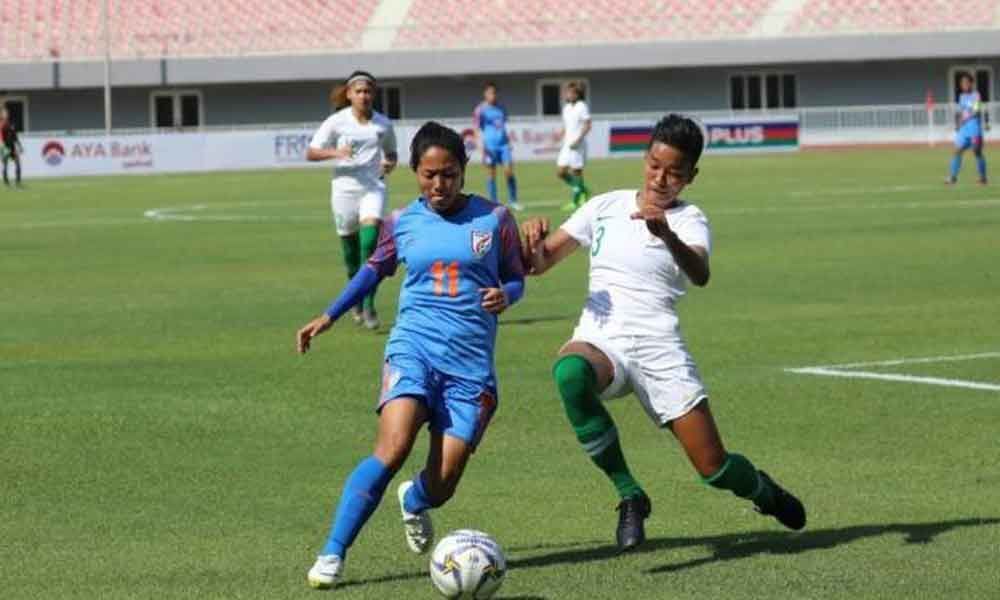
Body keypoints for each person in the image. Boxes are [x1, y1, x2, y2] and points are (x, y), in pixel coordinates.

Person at [521, 114, 805, 552]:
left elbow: (700, 272)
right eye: (655, 164)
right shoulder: (605, 206)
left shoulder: (690, 219)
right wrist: (531, 237)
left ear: (691, 175)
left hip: (659, 348)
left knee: (714, 468)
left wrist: (666, 234)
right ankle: (630, 495)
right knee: (570, 374)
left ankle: (764, 492)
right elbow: (539, 262)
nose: (661, 177)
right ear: (645, 157)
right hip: (603, 339)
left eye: (674, 171)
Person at [297, 121, 526, 589]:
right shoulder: (401, 222)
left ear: (463, 171)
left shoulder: (495, 219)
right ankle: (332, 554)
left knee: (442, 484)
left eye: (448, 174)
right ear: (415, 172)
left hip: (469, 368)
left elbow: (516, 275)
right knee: (393, 447)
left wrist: (507, 294)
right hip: (413, 347)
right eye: (428, 175)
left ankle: (415, 500)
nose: (438, 185)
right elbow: (372, 271)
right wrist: (331, 314)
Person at [307, 71, 398, 330]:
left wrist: (389, 163)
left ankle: (368, 305)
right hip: (344, 190)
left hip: (373, 188)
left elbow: (391, 153)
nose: (363, 96)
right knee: (350, 255)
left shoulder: (383, 124)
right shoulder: (337, 122)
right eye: (358, 91)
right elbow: (311, 152)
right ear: (349, 94)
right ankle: (355, 299)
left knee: (370, 244)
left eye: (368, 91)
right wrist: (336, 152)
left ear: (373, 94)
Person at [473, 82, 522, 211]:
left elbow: (503, 126)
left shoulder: (501, 108)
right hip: (489, 147)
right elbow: (477, 129)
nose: (492, 95)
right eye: (490, 93)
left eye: (494, 93)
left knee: (509, 172)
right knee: (491, 174)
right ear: (485, 94)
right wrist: (481, 146)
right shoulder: (480, 110)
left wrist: (509, 141)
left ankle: (513, 200)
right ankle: (493, 203)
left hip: (503, 145)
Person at [556, 81, 592, 211]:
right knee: (560, 172)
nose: (568, 94)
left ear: (577, 94)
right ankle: (582, 189)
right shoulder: (566, 108)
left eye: (571, 92)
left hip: (577, 145)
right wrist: (560, 134)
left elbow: (588, 125)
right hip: (567, 145)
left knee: (576, 172)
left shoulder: (582, 106)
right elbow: (566, 126)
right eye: (567, 92)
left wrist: (578, 140)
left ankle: (576, 201)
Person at [948, 72, 987, 185]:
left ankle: (983, 178)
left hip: (974, 130)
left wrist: (966, 116)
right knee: (956, 151)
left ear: (971, 83)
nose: (963, 85)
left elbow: (976, 111)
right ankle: (953, 178)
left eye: (966, 82)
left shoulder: (976, 95)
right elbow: (960, 111)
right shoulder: (961, 96)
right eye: (962, 83)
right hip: (964, 131)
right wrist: (957, 123)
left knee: (977, 152)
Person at [1, 107, 24, 189]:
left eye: (6, 113)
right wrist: (3, 147)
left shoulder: (11, 124)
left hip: (12, 147)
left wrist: (20, 146)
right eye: (4, 113)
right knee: (5, 165)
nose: (6, 115)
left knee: (18, 163)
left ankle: (18, 182)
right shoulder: (1, 125)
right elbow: (1, 137)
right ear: (2, 115)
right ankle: (6, 182)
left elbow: (15, 136)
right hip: (5, 147)